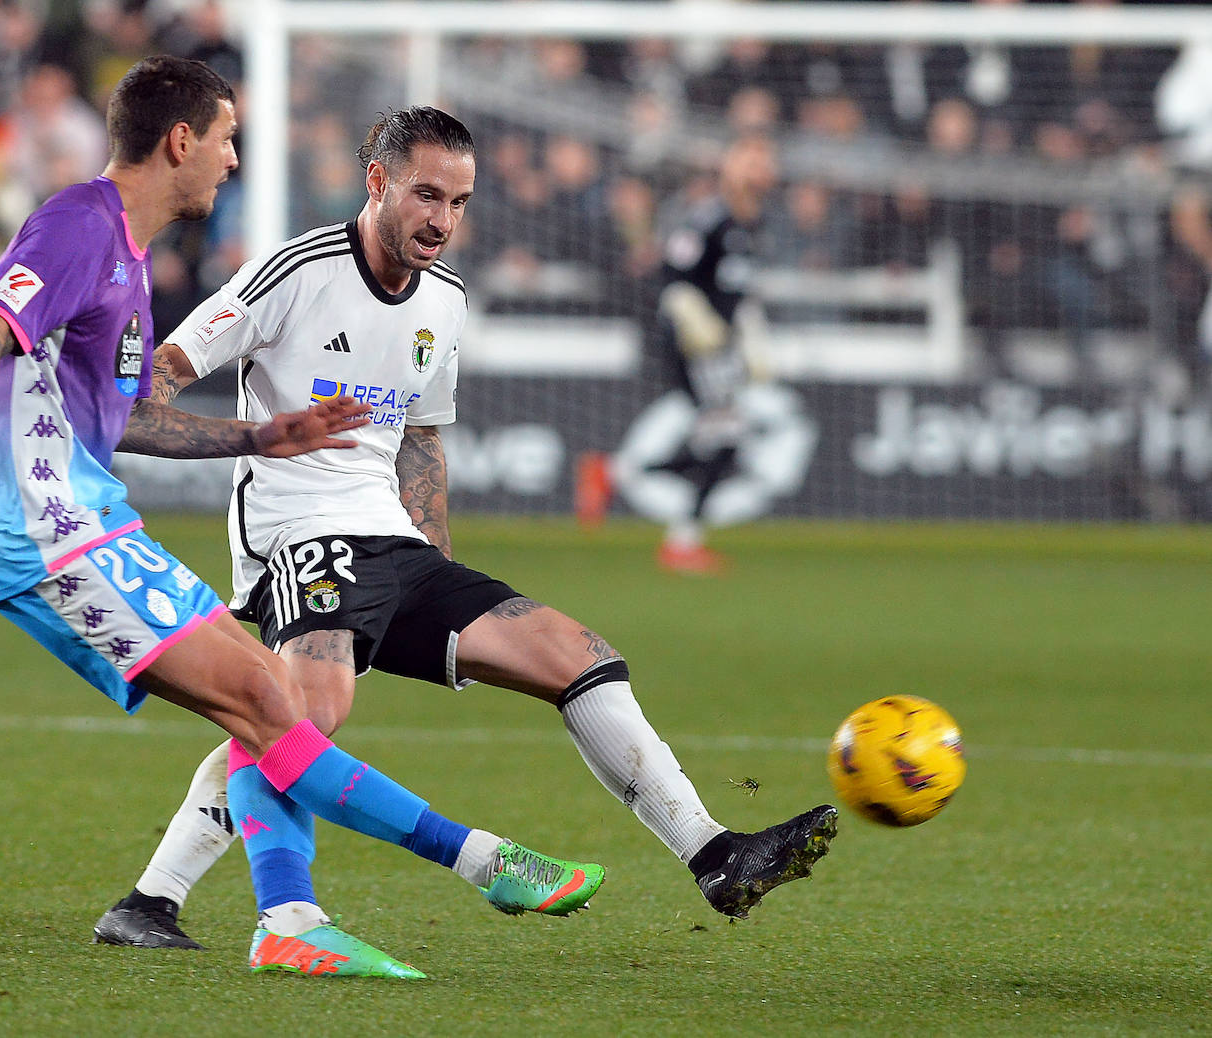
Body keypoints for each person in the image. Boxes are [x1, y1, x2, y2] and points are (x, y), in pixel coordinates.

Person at [0, 56, 604, 981]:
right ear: (181, 140)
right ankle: (483, 863)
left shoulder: (124, 258)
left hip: (92, 519)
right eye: (226, 138)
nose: (233, 158)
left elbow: (124, 419)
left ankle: (288, 918)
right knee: (267, 702)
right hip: (43, 531)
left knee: (275, 703)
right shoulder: (77, 226)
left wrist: (266, 434)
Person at [90, 105, 837, 952]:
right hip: (300, 539)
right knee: (303, 715)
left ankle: (714, 853)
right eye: (426, 195)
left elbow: (419, 435)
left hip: (395, 545)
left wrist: (435, 559)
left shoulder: (444, 299)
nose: (443, 220)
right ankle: (166, 901)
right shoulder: (296, 269)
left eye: (459, 202)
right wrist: (247, 439)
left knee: (578, 656)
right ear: (376, 183)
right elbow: (158, 377)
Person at [576, 134, 786, 573]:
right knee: (725, 439)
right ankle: (679, 540)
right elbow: (671, 276)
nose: (760, 168)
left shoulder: (756, 221)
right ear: (730, 167)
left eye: (765, 160)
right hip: (695, 346)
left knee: (720, 440)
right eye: (751, 157)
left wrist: (749, 337)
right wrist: (695, 320)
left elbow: (737, 291)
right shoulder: (710, 217)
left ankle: (615, 475)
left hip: (722, 348)